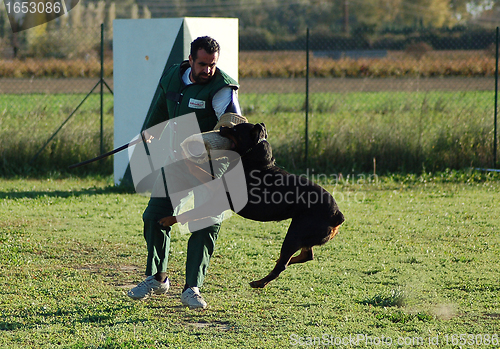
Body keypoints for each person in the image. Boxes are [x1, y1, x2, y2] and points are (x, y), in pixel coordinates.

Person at [127, 36, 242, 309]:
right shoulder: (173, 77)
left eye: (212, 65)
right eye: (202, 64)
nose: (208, 70)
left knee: (206, 222)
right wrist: (150, 131)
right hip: (176, 162)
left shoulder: (223, 89)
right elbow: (159, 106)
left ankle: (192, 288)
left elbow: (233, 127)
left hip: (211, 168)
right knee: (154, 216)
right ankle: (157, 278)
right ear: (190, 60)